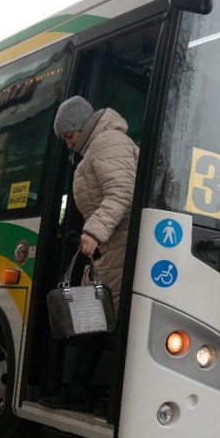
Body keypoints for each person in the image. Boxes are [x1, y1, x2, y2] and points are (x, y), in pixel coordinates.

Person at [39, 96, 138, 411]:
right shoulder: (97, 148)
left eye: (69, 137)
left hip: (117, 244)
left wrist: (94, 232)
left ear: (82, 127)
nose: (68, 145)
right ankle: (81, 388)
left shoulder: (109, 141)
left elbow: (122, 192)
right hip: (110, 247)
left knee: (101, 319)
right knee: (94, 318)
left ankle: (94, 392)